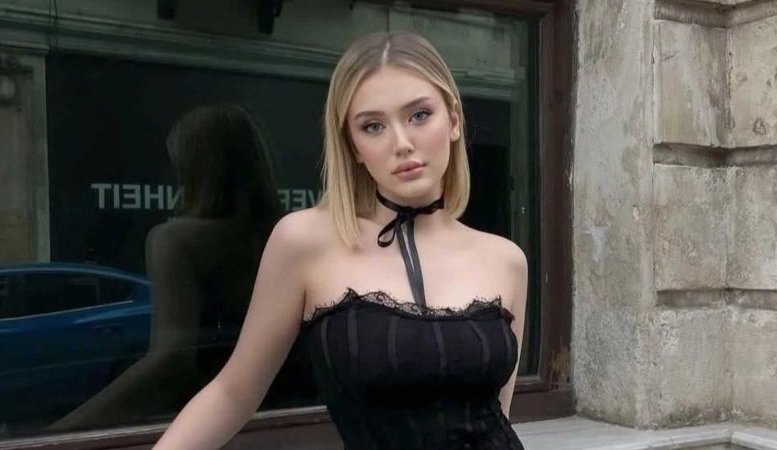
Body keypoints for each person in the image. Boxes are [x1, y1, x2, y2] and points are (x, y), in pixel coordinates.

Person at [154, 31, 528, 449]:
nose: (402, 144)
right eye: (373, 126)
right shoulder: (305, 242)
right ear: (352, 146)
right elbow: (233, 392)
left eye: (419, 115)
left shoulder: (505, 260)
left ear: (454, 120)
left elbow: (495, 414)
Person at [50, 104, 285, 430]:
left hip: (211, 426)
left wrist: (60, 433)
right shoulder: (289, 235)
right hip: (290, 417)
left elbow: (172, 361)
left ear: (195, 169)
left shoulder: (175, 240)